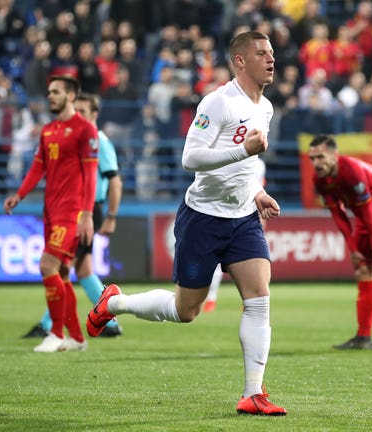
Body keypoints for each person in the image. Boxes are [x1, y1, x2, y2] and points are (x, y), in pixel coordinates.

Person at [86, 31, 287, 416]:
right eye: (262, 53)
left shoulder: (266, 107)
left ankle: (253, 393)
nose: (271, 59)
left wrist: (257, 191)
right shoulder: (219, 102)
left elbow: (244, 169)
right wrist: (243, 149)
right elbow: (190, 158)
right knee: (186, 311)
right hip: (203, 217)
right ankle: (116, 302)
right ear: (240, 61)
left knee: (259, 298)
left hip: (243, 216)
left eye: (272, 53)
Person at [4, 75, 98, 353]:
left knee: (47, 266)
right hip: (50, 212)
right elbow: (37, 168)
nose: (50, 96)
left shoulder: (85, 131)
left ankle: (56, 333)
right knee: (64, 273)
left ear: (70, 96)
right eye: (49, 92)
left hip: (72, 213)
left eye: (56, 92)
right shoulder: (47, 131)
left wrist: (87, 214)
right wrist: (19, 195)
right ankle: (78, 339)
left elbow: (91, 175)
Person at [22, 92, 124, 339]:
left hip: (89, 210)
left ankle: (50, 325)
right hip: (78, 209)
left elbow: (115, 181)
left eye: (84, 111)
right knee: (81, 268)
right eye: (75, 111)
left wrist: (111, 215)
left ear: (95, 115)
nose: (78, 116)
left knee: (62, 266)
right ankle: (108, 324)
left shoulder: (99, 140)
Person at [307, 134, 372, 351]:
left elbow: (370, 208)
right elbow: (339, 215)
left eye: (321, 158)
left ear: (335, 155)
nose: (316, 164)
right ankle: (363, 336)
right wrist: (353, 249)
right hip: (365, 217)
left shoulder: (351, 170)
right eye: (312, 159)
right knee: (363, 271)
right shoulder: (320, 180)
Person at [203, 156, 267, 313]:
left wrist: (259, 214)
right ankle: (211, 298)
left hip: (247, 216)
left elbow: (257, 188)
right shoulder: (230, 155)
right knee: (218, 262)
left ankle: (248, 301)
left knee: (250, 263)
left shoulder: (258, 164)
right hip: (221, 214)